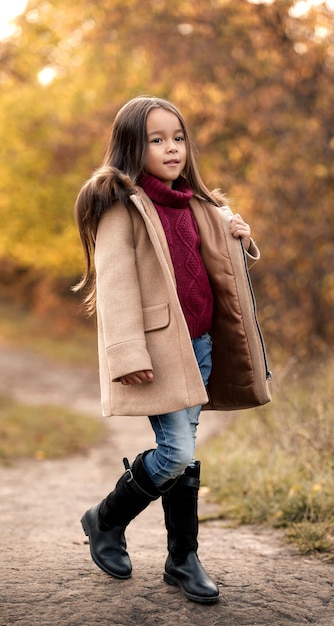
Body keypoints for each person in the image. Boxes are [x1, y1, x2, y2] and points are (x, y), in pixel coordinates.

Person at [73, 95, 271, 604]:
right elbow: (116, 287)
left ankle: (182, 558)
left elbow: (212, 272)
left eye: (178, 138)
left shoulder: (197, 202)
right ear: (132, 147)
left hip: (200, 346)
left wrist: (239, 240)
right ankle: (106, 519)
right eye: (156, 139)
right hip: (161, 351)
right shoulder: (121, 205)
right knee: (176, 451)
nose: (171, 148)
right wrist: (127, 353)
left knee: (185, 454)